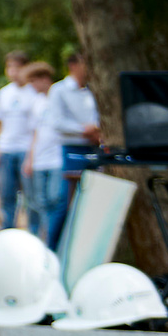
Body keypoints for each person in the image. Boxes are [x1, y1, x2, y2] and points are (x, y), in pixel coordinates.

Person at [36, 51, 102, 251]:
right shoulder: (59, 90)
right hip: (68, 151)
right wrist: (84, 130)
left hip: (94, 149)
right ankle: (53, 248)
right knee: (62, 202)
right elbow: (56, 123)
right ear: (73, 65)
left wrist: (96, 131)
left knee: (91, 202)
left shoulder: (94, 90)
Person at [0, 50, 34, 232]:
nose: (13, 71)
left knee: (30, 196)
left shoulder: (33, 92)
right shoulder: (4, 93)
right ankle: (6, 231)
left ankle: (32, 232)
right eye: (9, 67)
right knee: (6, 195)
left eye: (17, 67)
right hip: (6, 150)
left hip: (26, 150)